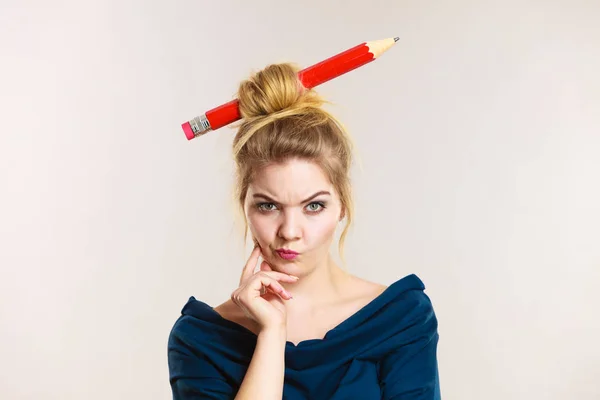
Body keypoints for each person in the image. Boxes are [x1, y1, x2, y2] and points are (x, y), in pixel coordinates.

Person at [168, 63, 441, 399]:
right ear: (245, 205)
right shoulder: (199, 340)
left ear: (342, 205)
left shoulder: (400, 319)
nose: (290, 232)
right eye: (268, 206)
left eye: (313, 206)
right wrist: (271, 334)